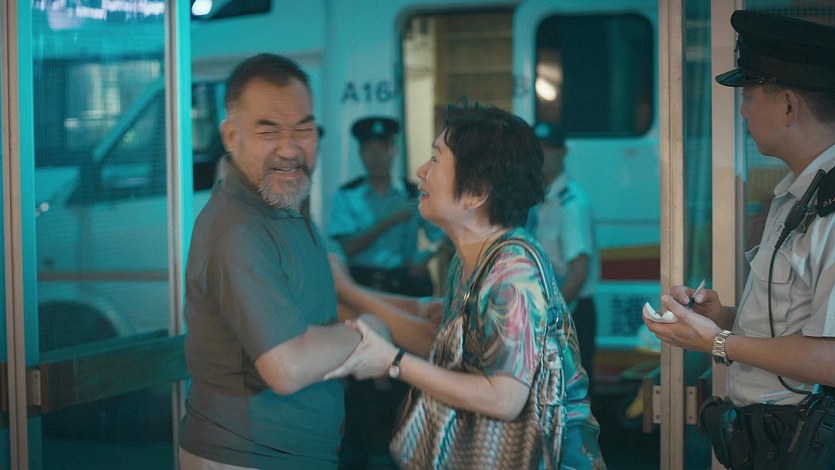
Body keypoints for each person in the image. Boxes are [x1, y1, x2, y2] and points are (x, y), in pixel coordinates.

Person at [327, 103, 606, 469]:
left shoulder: (513, 273)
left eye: (435, 160)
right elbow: (439, 329)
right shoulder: (471, 257)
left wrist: (392, 362)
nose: (421, 171)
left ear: (475, 192)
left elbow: (504, 398)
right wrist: (348, 296)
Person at [644, 10, 835, 469]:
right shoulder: (796, 195)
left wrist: (717, 341)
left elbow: (830, 357)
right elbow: (793, 324)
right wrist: (723, 318)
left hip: (803, 441)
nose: (743, 110)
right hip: (769, 441)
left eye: (749, 96)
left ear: (788, 106)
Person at [178, 53, 387, 470]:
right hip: (246, 455)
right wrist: (365, 333)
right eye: (268, 130)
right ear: (231, 135)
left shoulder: (284, 202)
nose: (290, 148)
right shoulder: (238, 228)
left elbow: (324, 302)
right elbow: (287, 366)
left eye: (303, 129)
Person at [329, 116, 444, 297]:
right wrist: (390, 219)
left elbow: (443, 236)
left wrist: (426, 255)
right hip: (362, 283)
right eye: (369, 149)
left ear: (394, 151)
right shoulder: (347, 195)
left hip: (404, 282)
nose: (376, 157)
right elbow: (349, 248)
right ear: (360, 153)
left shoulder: (413, 193)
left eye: (383, 149)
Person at [527, 121, 600, 389]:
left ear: (563, 152)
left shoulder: (572, 203)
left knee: (570, 395)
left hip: (570, 313)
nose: (543, 156)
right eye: (537, 149)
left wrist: (547, 319)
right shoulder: (536, 201)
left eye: (549, 148)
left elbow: (578, 273)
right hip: (550, 312)